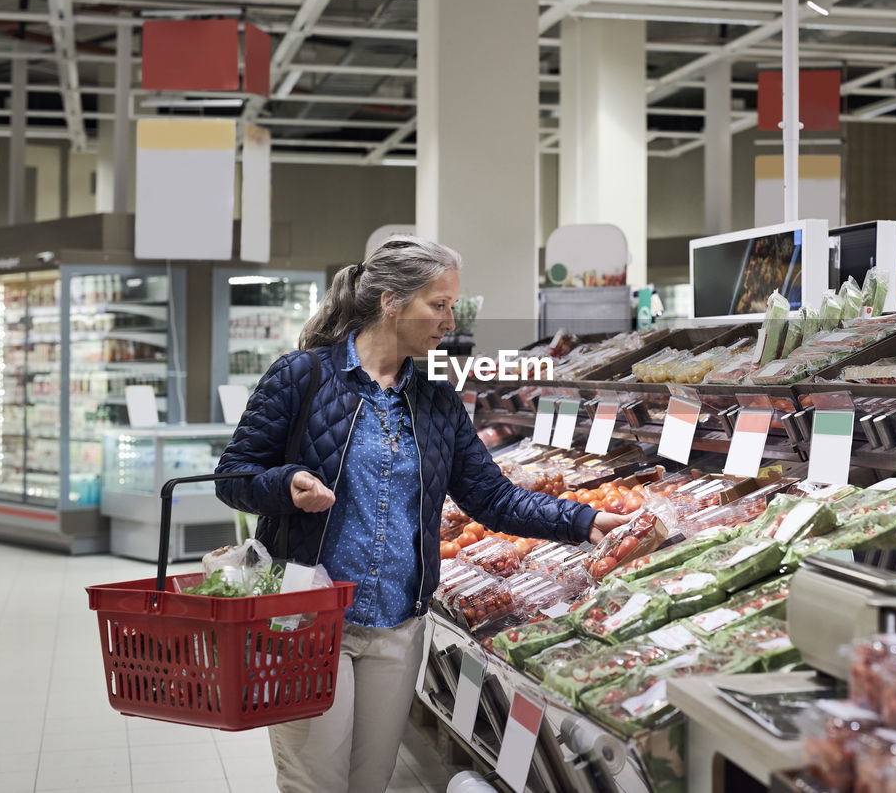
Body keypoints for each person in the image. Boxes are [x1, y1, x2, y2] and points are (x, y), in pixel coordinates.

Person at [214, 236, 631, 793]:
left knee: (371, 781)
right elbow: (233, 476)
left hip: (398, 625)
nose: (449, 320)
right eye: (438, 305)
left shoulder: (436, 399)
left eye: (452, 306)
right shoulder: (301, 376)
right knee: (314, 782)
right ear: (391, 301)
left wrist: (582, 521)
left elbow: (492, 498)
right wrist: (285, 485)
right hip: (308, 619)